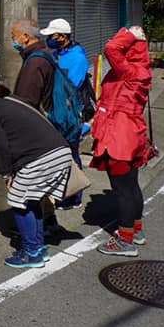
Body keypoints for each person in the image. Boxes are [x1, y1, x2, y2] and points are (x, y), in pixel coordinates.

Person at [0, 69, 72, 269]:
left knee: (18, 200)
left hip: (41, 157)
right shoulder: (11, 100)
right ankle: (38, 248)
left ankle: (31, 252)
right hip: (58, 151)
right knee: (31, 199)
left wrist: (7, 173)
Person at [90, 26, 154, 257]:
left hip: (118, 137)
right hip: (131, 135)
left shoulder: (128, 71)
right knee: (131, 186)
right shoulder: (141, 69)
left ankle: (125, 241)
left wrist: (129, 34)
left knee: (123, 191)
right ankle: (135, 230)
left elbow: (111, 48)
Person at [40, 18, 89, 210]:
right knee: (61, 155)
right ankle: (62, 194)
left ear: (62, 36)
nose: (49, 40)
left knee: (71, 154)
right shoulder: (58, 53)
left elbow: (71, 88)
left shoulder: (77, 58)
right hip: (56, 114)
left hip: (69, 116)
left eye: (52, 36)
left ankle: (74, 196)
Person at [10, 18, 54, 111]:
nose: (13, 40)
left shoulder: (36, 61)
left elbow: (27, 102)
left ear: (26, 37)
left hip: (36, 121)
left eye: (13, 36)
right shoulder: (41, 53)